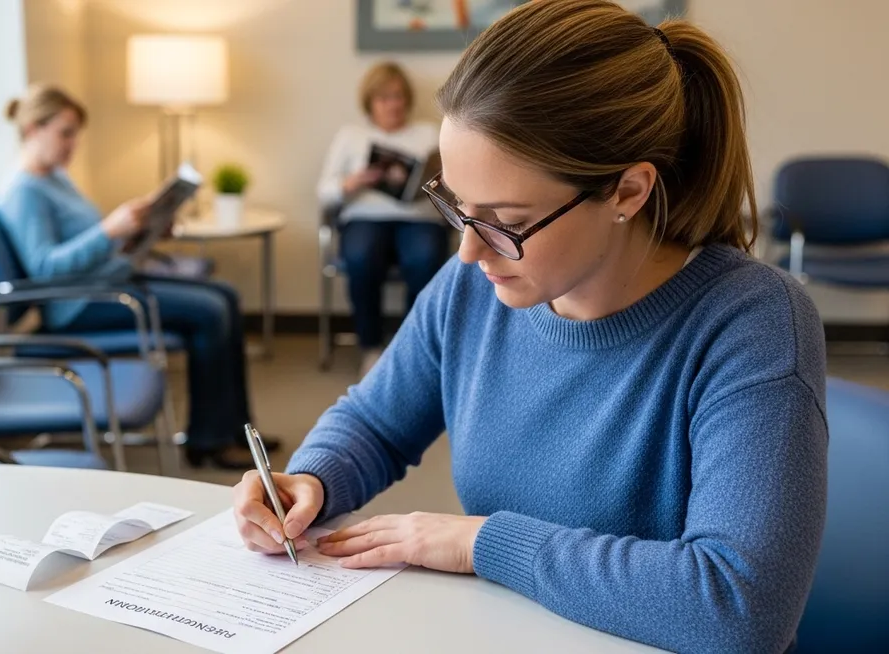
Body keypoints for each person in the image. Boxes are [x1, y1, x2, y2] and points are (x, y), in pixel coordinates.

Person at [233, 2, 826, 652]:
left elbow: (738, 608)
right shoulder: (476, 284)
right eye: (457, 207)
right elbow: (374, 423)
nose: (468, 251)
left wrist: (480, 541)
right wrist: (311, 481)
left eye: (505, 220)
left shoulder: (750, 321)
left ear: (627, 192)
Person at [0, 84, 275, 469]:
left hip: (109, 281)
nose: (73, 144)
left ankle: (236, 431)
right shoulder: (24, 191)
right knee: (210, 311)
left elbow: (86, 246)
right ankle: (210, 438)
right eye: (65, 133)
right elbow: (45, 269)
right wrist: (110, 231)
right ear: (32, 129)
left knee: (224, 294)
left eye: (75, 133)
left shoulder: (55, 179)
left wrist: (139, 233)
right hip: (80, 305)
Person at [318, 62, 449, 376]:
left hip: (419, 218)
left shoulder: (428, 133)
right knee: (361, 257)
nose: (394, 104)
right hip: (365, 217)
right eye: (385, 98)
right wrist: (350, 183)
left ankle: (412, 348)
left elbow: (451, 185)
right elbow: (324, 191)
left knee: (426, 258)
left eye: (399, 97)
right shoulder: (352, 136)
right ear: (370, 101)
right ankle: (371, 347)